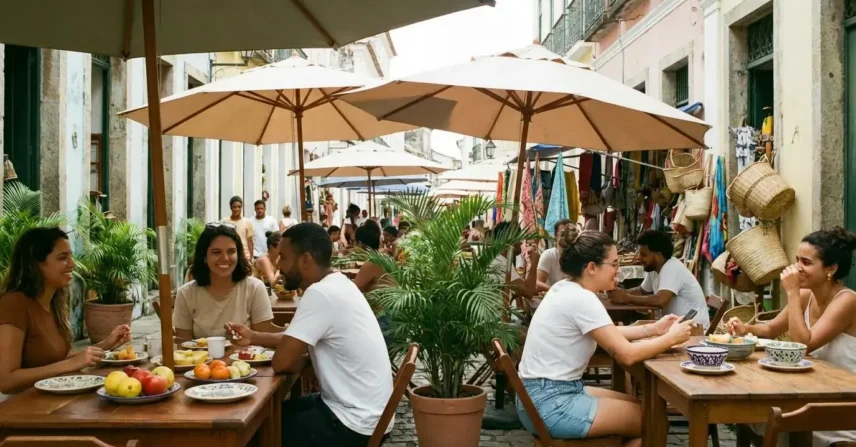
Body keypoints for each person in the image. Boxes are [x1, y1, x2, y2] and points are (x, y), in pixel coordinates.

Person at [517, 228, 693, 446]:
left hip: (535, 398)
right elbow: (627, 355)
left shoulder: (565, 288)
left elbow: (606, 332)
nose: (618, 272)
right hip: (552, 404)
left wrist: (654, 330)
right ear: (591, 268)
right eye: (614, 264)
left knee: (644, 411)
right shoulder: (582, 299)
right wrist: (671, 338)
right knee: (655, 420)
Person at [226, 223, 393, 446]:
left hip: (353, 424)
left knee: (257, 428)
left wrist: (300, 358)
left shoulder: (320, 294)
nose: (278, 265)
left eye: (283, 257)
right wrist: (253, 336)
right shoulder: (340, 284)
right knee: (271, 413)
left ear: (305, 260)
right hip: (370, 416)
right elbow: (296, 341)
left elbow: (281, 363)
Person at [727, 227, 856, 447]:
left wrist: (793, 292)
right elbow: (770, 330)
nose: (797, 269)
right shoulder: (806, 295)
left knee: (779, 423)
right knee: (757, 418)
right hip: (812, 393)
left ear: (831, 269)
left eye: (806, 262)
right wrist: (745, 328)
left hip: (843, 405)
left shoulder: (847, 301)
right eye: (797, 260)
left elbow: (802, 345)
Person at [0, 227, 130, 395]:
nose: (72, 264)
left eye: (71, 256)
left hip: (56, 402)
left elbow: (60, 360)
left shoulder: (54, 303)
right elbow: (6, 381)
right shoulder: (14, 304)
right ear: (36, 264)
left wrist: (106, 344)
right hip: (24, 411)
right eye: (62, 257)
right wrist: (71, 364)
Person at [174, 222, 277, 340]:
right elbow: (183, 346)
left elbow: (262, 341)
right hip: (202, 358)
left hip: (245, 358)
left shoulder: (255, 288)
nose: (225, 258)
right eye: (216, 252)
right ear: (204, 256)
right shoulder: (186, 294)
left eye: (231, 251)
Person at [607, 230, 710, 331]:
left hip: (694, 329)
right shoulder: (655, 269)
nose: (640, 258)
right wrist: (620, 293)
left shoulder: (672, 268)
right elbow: (642, 291)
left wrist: (626, 298)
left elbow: (661, 301)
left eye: (644, 255)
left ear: (659, 256)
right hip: (678, 327)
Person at [489, 221, 538, 302]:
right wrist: (534, 264)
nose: (521, 242)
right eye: (518, 238)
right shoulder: (501, 262)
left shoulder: (499, 259)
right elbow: (529, 291)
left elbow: (523, 287)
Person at [536, 219, 574, 292]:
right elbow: (538, 283)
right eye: (562, 234)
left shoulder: (578, 255)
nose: (565, 237)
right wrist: (556, 291)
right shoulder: (548, 255)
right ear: (555, 238)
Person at [222, 196, 254, 263]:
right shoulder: (224, 222)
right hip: (229, 255)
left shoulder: (247, 222)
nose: (237, 209)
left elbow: (250, 241)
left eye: (239, 207)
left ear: (241, 207)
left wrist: (251, 257)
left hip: (244, 256)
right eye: (234, 207)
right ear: (231, 208)